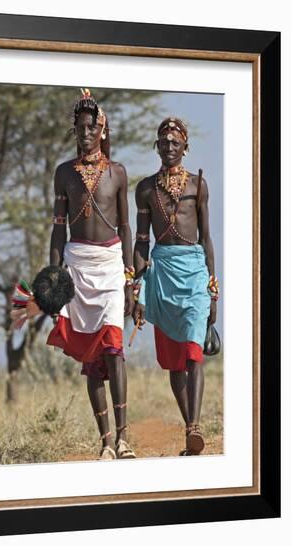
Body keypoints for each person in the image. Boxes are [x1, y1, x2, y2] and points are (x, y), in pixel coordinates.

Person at [46, 89, 136, 460]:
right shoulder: (63, 173)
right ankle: (104, 442)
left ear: (102, 130)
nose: (85, 134)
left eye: (91, 127)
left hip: (112, 267)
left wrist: (131, 279)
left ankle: (124, 438)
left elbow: (127, 228)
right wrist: (53, 279)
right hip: (78, 268)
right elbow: (57, 229)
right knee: (91, 359)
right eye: (80, 128)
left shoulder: (117, 173)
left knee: (114, 348)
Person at [132, 117, 218, 456]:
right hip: (162, 273)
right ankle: (189, 429)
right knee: (173, 360)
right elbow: (141, 243)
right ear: (157, 146)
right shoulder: (145, 189)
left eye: (175, 142)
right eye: (164, 141)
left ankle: (195, 426)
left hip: (195, 271)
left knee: (194, 351)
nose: (169, 146)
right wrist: (135, 287)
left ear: (185, 147)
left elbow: (207, 237)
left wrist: (213, 291)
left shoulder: (198, 185)